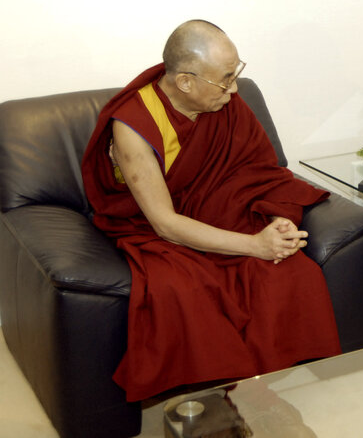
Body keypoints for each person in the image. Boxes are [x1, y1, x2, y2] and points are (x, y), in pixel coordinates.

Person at [81, 20, 341, 402]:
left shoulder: (225, 103)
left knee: (292, 273)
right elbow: (164, 223)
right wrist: (255, 246)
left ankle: (258, 391)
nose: (234, 89)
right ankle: (214, 401)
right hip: (155, 228)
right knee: (184, 291)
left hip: (221, 213)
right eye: (224, 80)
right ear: (186, 82)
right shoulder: (135, 126)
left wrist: (276, 220)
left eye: (236, 74)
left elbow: (261, 173)